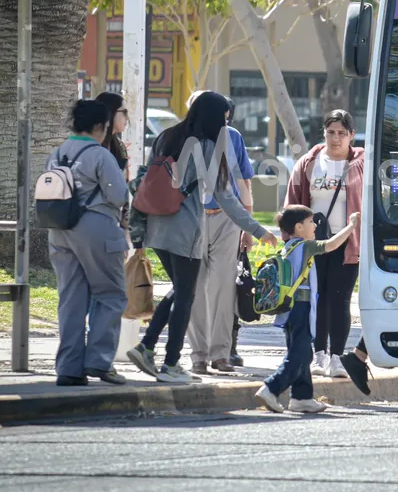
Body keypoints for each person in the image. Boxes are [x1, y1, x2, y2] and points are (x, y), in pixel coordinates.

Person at [127, 91, 279, 384]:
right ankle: (170, 363)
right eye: (223, 117)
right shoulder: (208, 146)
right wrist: (258, 230)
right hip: (184, 229)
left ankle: (146, 347)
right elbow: (225, 196)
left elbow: (145, 177)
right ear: (212, 116)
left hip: (156, 227)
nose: (225, 123)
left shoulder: (166, 136)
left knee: (181, 289)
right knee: (186, 295)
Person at [46, 100, 130, 387]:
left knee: (71, 298)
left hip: (59, 228)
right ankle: (98, 361)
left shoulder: (57, 153)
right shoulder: (100, 155)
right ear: (99, 126)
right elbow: (119, 196)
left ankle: (68, 368)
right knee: (111, 294)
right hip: (96, 228)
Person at [254, 205, 360, 414]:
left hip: (287, 309)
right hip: (301, 307)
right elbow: (331, 245)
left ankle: (302, 397)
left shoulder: (288, 247)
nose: (315, 226)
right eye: (311, 222)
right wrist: (351, 226)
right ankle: (271, 387)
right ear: (299, 226)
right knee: (300, 353)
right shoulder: (306, 246)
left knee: (300, 351)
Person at [285, 109, 365, 379]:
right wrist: (292, 242)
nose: (336, 138)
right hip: (314, 243)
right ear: (324, 133)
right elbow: (293, 204)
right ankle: (318, 355)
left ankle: (337, 358)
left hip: (347, 242)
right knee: (317, 299)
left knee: (339, 300)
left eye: (342, 133)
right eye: (331, 132)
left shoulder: (361, 163)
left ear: (351, 136)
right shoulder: (309, 162)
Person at [185, 95, 256, 374]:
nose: (225, 119)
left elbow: (243, 181)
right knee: (195, 290)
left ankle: (221, 354)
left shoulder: (233, 137)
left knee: (224, 289)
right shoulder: (185, 138)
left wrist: (248, 228)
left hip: (228, 221)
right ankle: (198, 355)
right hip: (194, 220)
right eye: (222, 114)